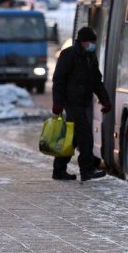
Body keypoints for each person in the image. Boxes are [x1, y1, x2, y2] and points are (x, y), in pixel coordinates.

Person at [51, 26, 110, 181]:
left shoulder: (90, 57)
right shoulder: (69, 54)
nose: (92, 45)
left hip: (82, 102)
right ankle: (86, 170)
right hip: (71, 102)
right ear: (83, 41)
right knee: (85, 136)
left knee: (72, 138)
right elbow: (58, 80)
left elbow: (97, 81)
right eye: (90, 42)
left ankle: (59, 171)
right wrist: (58, 103)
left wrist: (105, 100)